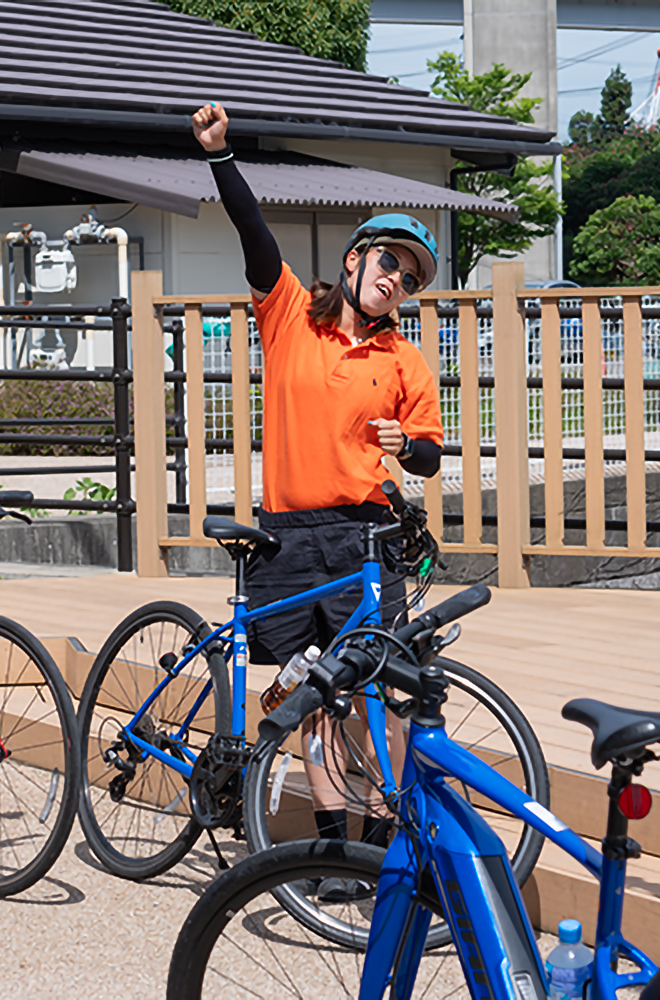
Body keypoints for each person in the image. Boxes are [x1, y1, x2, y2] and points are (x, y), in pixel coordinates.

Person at [190, 101, 444, 888]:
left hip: (365, 535)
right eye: (389, 264)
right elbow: (254, 236)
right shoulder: (292, 315)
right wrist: (220, 156)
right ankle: (333, 852)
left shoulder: (406, 360)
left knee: (387, 695)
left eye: (409, 277)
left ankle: (381, 839)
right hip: (289, 533)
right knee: (314, 697)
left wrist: (414, 448)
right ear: (356, 259)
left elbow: (431, 455)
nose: (396, 281)